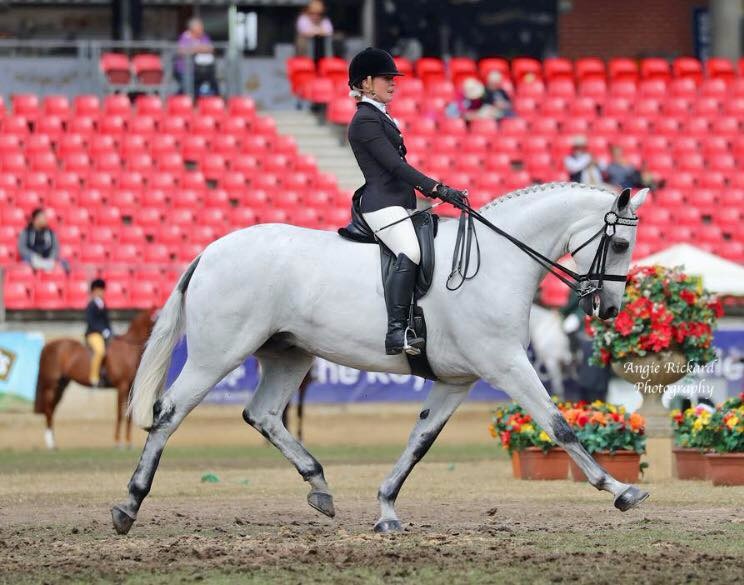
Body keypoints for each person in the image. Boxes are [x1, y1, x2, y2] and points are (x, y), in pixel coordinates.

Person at [346, 47, 465, 355]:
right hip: (381, 204)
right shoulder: (365, 120)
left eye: (393, 78)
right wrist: (437, 188)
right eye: (386, 78)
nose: (393, 83)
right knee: (410, 251)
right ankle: (396, 332)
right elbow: (395, 166)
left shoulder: (380, 116)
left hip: (400, 202)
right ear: (366, 83)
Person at [175, 18, 216, 95]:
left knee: (211, 86)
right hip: (185, 70)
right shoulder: (185, 37)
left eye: (202, 28)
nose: (201, 30)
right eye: (199, 29)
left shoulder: (204, 36)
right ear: (192, 29)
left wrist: (194, 49)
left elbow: (210, 48)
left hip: (203, 69)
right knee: (187, 87)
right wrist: (199, 48)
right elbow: (181, 51)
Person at [85, 278, 112, 387]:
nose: (102, 292)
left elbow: (107, 321)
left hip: (104, 334)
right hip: (93, 334)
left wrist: (110, 331)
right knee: (100, 351)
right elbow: (91, 322)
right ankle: (94, 377)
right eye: (100, 290)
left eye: (102, 290)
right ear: (94, 291)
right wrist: (102, 330)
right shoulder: (91, 305)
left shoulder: (103, 304)